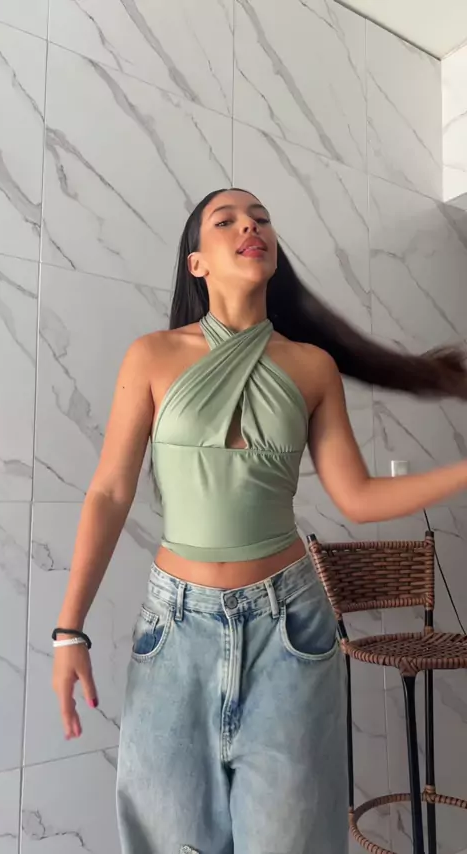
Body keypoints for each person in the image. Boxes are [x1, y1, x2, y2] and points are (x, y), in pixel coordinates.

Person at [52, 188, 467, 854]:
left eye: (262, 219)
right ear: (196, 263)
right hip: (176, 632)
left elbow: (357, 496)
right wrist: (68, 631)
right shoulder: (152, 356)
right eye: (227, 220)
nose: (251, 225)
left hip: (290, 630)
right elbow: (109, 491)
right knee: (170, 839)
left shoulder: (312, 367)